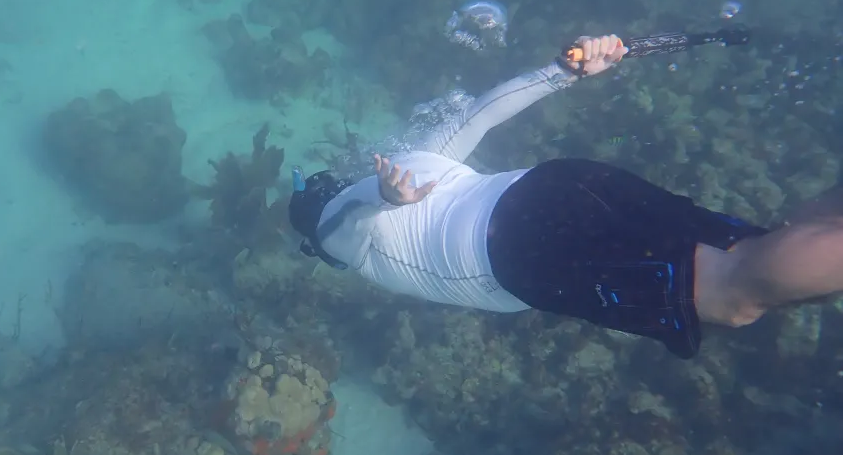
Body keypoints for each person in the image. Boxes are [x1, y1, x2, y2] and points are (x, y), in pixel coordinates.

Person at [289, 35, 843, 359]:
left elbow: (354, 224)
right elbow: (484, 111)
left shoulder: (331, 237)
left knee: (738, 288)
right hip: (554, 184)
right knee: (750, 242)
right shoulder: (413, 156)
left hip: (520, 251)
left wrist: (389, 202)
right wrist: (565, 72)